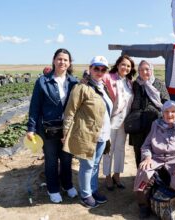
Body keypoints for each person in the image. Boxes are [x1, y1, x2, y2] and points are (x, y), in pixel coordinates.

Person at [26, 48, 78, 203]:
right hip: (48, 128)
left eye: (66, 60)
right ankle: (53, 188)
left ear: (69, 63)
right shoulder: (42, 81)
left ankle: (67, 185)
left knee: (67, 158)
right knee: (51, 160)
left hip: (67, 128)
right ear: (54, 60)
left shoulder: (74, 82)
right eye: (59, 59)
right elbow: (34, 106)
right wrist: (31, 128)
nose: (62, 62)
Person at [62, 55, 113, 208]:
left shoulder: (102, 87)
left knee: (96, 164)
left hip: (103, 134)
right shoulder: (81, 87)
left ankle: (93, 189)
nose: (99, 71)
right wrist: (65, 133)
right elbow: (70, 111)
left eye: (103, 69)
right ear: (90, 69)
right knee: (87, 165)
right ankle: (85, 195)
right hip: (87, 134)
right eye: (96, 68)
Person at [133, 100, 175, 219]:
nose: (169, 114)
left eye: (173, 112)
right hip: (156, 159)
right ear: (162, 113)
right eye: (166, 111)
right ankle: (143, 205)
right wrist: (147, 157)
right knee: (144, 171)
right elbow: (146, 145)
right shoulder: (155, 125)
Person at [101, 55, 136, 191]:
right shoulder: (109, 77)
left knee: (120, 149)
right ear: (117, 65)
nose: (125, 68)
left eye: (128, 66)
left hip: (124, 122)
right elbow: (95, 79)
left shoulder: (129, 82)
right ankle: (107, 176)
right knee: (108, 149)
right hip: (109, 121)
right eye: (123, 64)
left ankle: (117, 175)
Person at [129, 60, 170, 168]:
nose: (144, 72)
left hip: (155, 123)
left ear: (151, 70)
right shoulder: (135, 84)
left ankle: (153, 178)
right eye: (141, 70)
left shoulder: (159, 83)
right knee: (139, 150)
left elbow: (166, 102)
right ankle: (141, 176)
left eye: (147, 69)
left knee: (155, 150)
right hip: (137, 124)